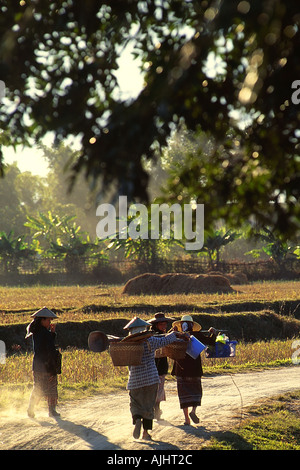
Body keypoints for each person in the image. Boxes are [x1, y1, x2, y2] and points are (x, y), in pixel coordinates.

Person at [124, 316, 188, 440]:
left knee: (135, 404)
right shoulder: (150, 341)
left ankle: (137, 419)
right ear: (145, 329)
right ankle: (145, 433)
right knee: (149, 406)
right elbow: (164, 341)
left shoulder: (127, 344)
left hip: (134, 380)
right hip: (151, 379)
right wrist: (174, 334)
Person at [171, 315, 217, 426]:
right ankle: (193, 411)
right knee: (196, 390)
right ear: (192, 325)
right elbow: (210, 342)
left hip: (180, 368)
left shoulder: (176, 336)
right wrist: (213, 333)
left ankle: (187, 418)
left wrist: (173, 333)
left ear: (182, 325)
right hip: (194, 368)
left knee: (183, 392)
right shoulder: (197, 335)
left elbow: (165, 341)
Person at [25, 307, 61, 418]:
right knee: (51, 387)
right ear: (42, 320)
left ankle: (30, 409)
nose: (50, 322)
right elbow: (50, 350)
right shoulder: (45, 333)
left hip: (37, 366)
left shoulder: (36, 332)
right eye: (48, 320)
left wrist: (52, 333)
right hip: (47, 365)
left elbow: (45, 345)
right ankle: (52, 411)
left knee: (38, 387)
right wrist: (52, 370)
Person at [148, 312, 174, 420]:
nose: (164, 326)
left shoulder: (163, 335)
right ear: (156, 325)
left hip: (161, 365)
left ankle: (156, 411)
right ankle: (155, 412)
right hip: (153, 366)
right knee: (156, 390)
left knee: (158, 389)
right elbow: (164, 341)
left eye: (165, 324)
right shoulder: (152, 336)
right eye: (161, 324)